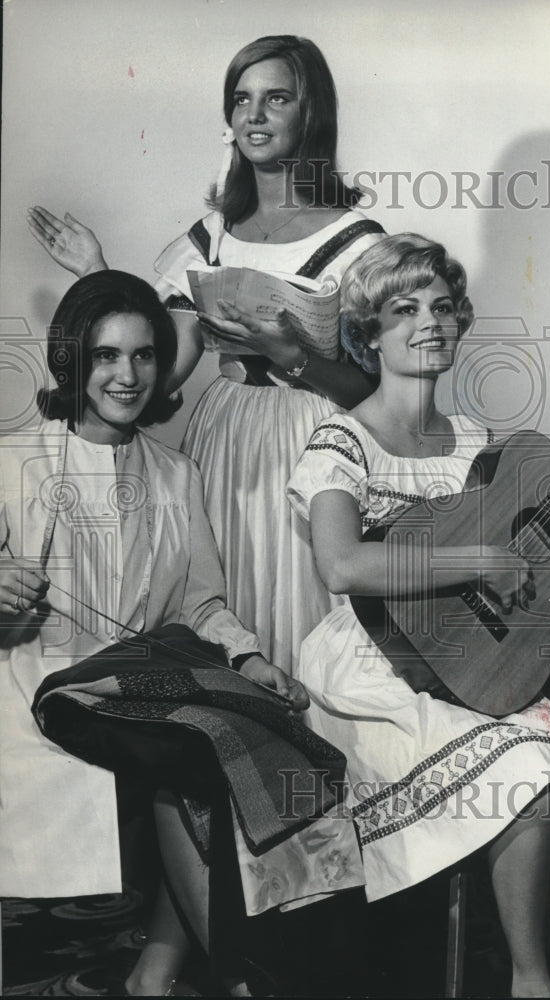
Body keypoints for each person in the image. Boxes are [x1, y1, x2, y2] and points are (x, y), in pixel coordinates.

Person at [285, 233, 550, 998]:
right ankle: (528, 979)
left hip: (472, 661)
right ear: (367, 332)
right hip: (377, 670)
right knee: (527, 775)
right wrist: (475, 560)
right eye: (403, 310)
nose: (429, 323)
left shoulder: (479, 445)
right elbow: (341, 564)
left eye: (441, 306)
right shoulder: (341, 438)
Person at [0, 270, 363, 997]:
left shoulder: (174, 473)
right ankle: (238, 976)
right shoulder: (11, 462)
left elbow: (203, 604)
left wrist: (252, 658)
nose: (127, 376)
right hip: (37, 684)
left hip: (142, 681)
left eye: (141, 356)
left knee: (258, 740)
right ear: (73, 360)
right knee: (194, 752)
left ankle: (169, 968)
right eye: (106, 356)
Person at [27, 34, 385, 675]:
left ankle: (318, 760)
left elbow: (377, 397)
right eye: (241, 100)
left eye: (276, 98)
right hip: (225, 442)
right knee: (221, 598)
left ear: (312, 114)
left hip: (318, 441)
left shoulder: (359, 242)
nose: (253, 116)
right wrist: (98, 275)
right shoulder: (213, 235)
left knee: (310, 610)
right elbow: (156, 373)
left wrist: (291, 356)